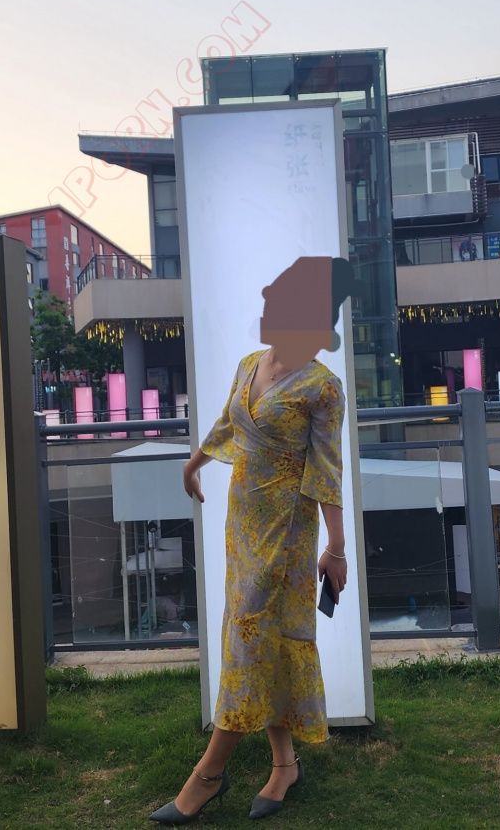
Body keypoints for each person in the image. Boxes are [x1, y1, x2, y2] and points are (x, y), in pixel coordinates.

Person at [149, 256, 361, 824]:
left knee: (249, 639)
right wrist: (193, 463)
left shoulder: (322, 387)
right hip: (242, 523)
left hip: (287, 531)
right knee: (264, 641)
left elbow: (327, 470)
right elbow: (229, 422)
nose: (265, 304)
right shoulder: (251, 364)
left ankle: (208, 774)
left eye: (276, 299)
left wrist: (336, 548)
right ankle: (284, 764)